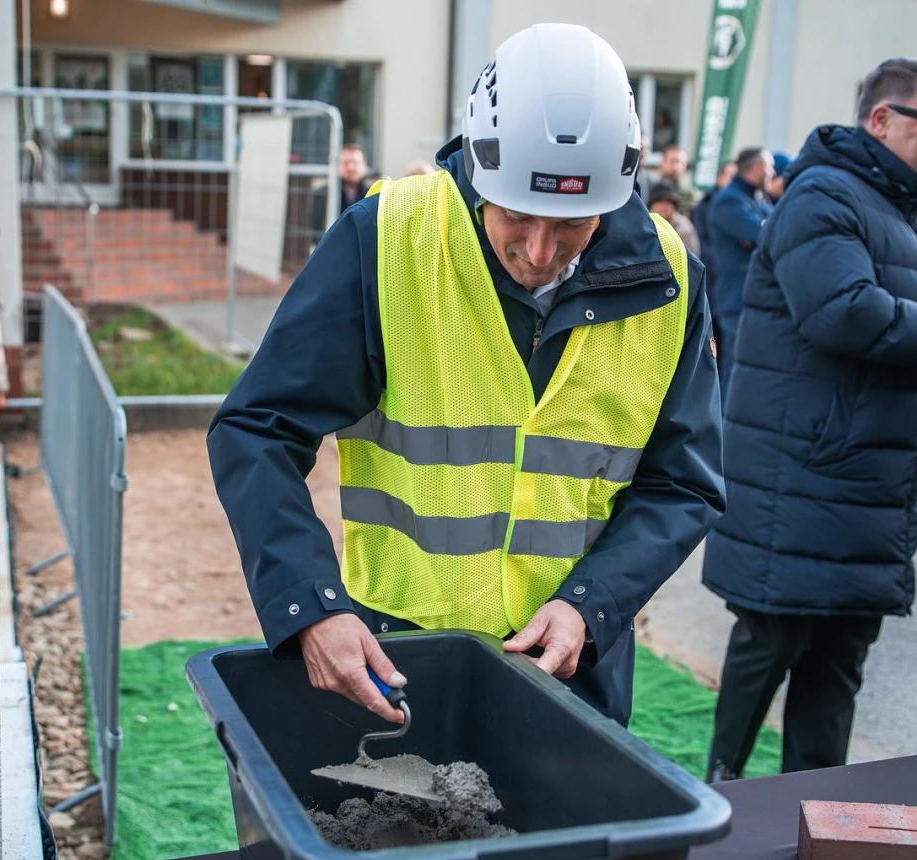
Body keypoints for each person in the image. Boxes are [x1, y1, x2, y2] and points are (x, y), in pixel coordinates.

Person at [207, 23, 724, 728]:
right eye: (518, 215)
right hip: (400, 652)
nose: (539, 251)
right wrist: (310, 606)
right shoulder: (388, 238)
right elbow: (258, 428)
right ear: (481, 170)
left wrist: (591, 605)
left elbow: (683, 481)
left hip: (573, 664)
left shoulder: (672, 280)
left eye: (572, 224)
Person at [700, 57, 917, 780]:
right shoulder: (822, 195)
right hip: (800, 479)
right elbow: (847, 314)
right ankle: (717, 795)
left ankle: (814, 812)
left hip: (870, 490)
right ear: (882, 119)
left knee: (836, 668)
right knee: (770, 643)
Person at [707, 146, 774, 398]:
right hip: (737, 301)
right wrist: (761, 231)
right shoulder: (729, 200)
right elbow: (765, 236)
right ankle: (725, 423)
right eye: (770, 166)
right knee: (736, 373)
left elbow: (774, 231)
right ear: (757, 168)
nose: (773, 172)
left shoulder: (759, 199)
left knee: (754, 373)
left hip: (756, 298)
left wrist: (761, 232)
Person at [692, 160, 736, 300]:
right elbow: (701, 239)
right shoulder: (705, 205)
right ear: (720, 178)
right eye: (731, 177)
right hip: (712, 271)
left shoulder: (741, 204)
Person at [645, 182, 700, 255]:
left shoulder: (683, 228)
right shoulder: (644, 226)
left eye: (667, 202)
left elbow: (692, 257)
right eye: (659, 202)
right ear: (651, 206)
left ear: (674, 207)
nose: (663, 207)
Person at [657, 144, 703, 219]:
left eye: (681, 163)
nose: (676, 167)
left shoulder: (693, 196)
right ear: (662, 163)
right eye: (672, 161)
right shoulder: (649, 188)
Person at [338, 143, 380, 214]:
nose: (351, 167)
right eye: (346, 162)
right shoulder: (323, 195)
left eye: (355, 162)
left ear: (364, 164)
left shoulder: (374, 195)